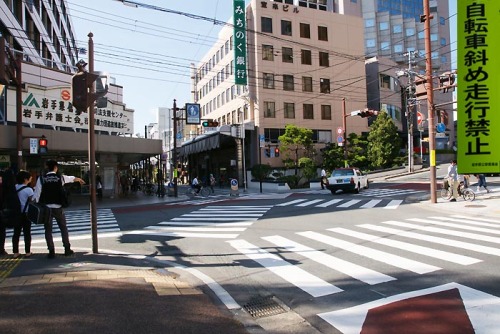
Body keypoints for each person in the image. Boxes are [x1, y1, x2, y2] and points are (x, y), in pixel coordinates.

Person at [34, 160, 85, 258]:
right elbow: (71, 178)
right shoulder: (60, 178)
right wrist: (79, 179)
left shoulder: (41, 179)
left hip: (47, 209)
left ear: (47, 167)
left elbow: (37, 195)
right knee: (63, 228)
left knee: (48, 230)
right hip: (58, 208)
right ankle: (67, 249)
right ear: (56, 167)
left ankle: (51, 251)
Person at [12, 170, 34, 258]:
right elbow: (33, 200)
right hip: (26, 213)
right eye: (29, 177)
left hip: (16, 213)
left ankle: (15, 252)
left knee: (16, 233)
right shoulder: (29, 190)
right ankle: (27, 252)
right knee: (27, 233)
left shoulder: (14, 187)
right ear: (25, 179)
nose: (31, 179)